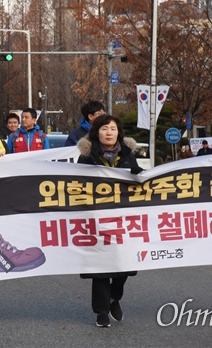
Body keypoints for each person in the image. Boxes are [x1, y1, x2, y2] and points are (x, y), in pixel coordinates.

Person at [76, 114, 143, 327]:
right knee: (101, 267)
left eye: (113, 129)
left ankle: (114, 297)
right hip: (97, 218)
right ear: (97, 132)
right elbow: (75, 185)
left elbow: (138, 181)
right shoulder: (87, 157)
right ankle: (101, 311)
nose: (109, 133)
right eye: (104, 128)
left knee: (125, 266)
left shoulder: (128, 154)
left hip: (124, 219)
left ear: (118, 132)